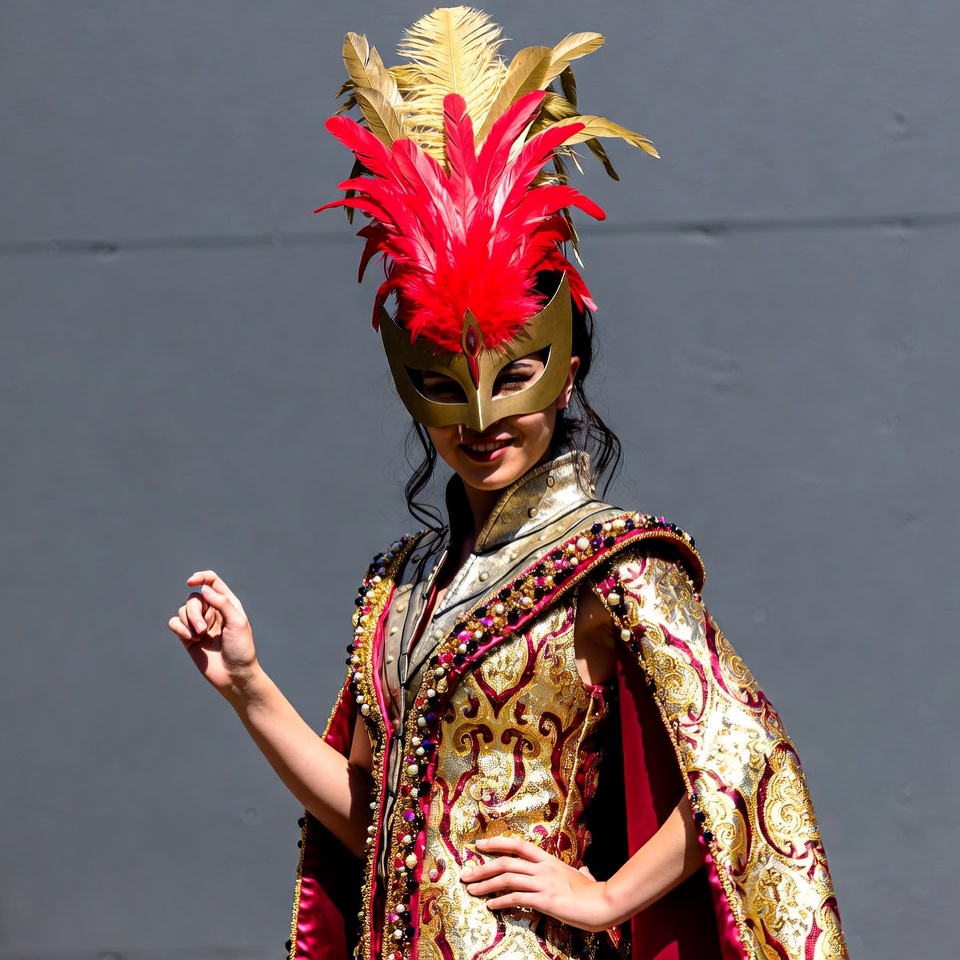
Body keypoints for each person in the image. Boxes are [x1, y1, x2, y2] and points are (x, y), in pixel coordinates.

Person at [169, 9, 848, 960]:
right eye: (445, 393)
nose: (481, 424)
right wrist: (247, 687)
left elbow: (746, 765)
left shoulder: (616, 565)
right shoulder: (402, 583)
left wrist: (607, 896)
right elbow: (372, 820)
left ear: (565, 370)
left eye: (511, 384)